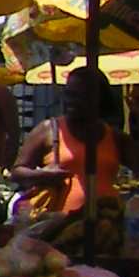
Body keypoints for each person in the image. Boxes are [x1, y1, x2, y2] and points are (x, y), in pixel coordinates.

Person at [14, 67, 126, 216]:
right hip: (58, 227)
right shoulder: (49, 129)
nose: (70, 101)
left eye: (79, 96)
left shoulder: (113, 136)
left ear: (97, 98)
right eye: (68, 94)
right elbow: (17, 172)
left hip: (107, 224)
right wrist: (42, 176)